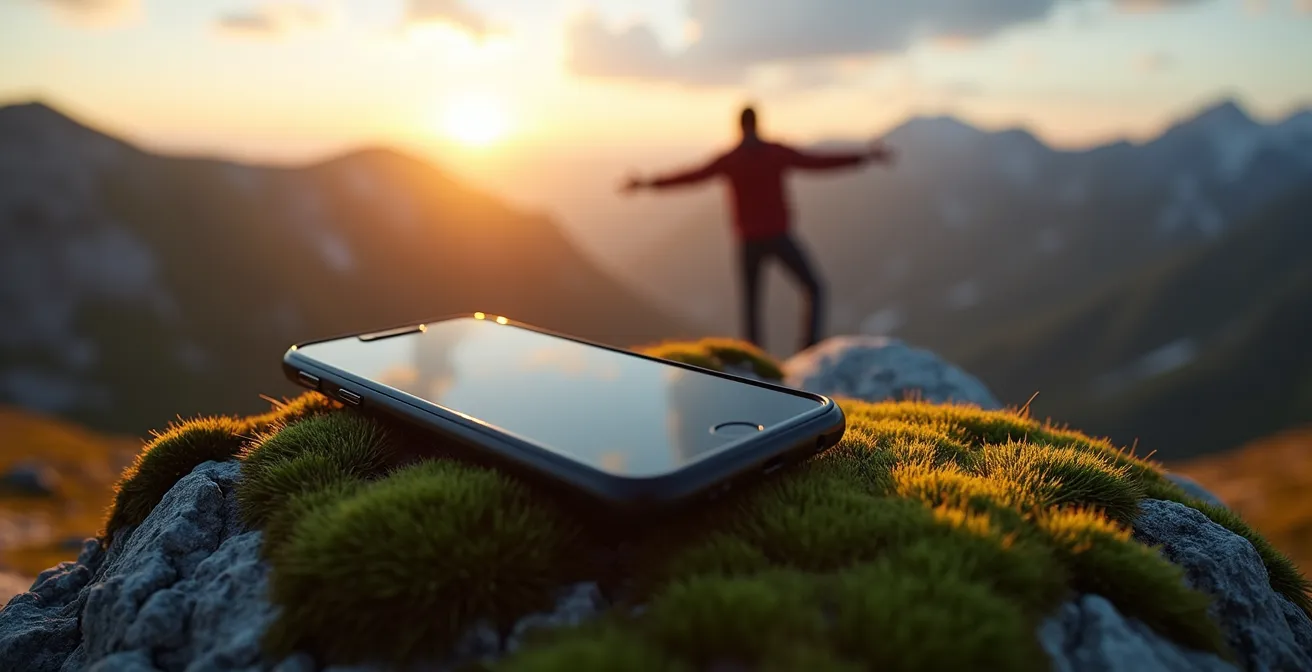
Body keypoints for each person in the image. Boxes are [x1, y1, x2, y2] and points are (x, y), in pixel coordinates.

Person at [621, 105, 895, 353]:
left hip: (749, 241)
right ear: (757, 124)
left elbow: (691, 177)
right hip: (777, 236)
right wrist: (865, 157)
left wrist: (646, 183)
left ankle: (754, 363)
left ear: (739, 126)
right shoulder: (774, 153)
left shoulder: (731, 159)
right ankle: (809, 349)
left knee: (751, 306)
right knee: (814, 287)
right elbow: (818, 162)